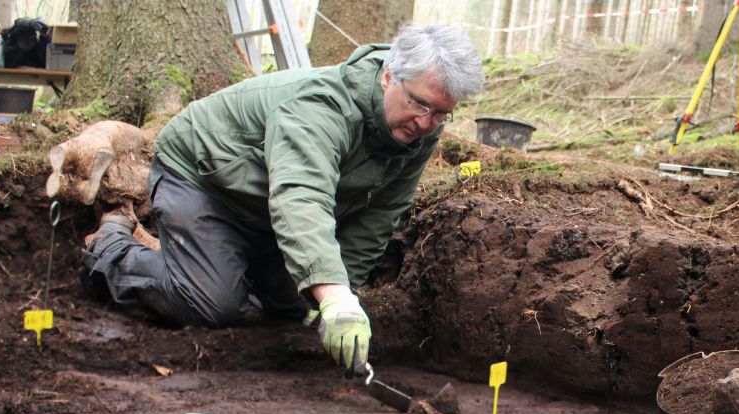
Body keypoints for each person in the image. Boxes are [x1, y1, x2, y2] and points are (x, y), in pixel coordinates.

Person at [80, 24, 483, 375]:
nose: (426, 123)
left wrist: (341, 292)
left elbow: (379, 214)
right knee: (213, 304)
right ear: (388, 77)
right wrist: (335, 296)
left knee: (298, 305)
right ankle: (111, 247)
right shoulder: (321, 108)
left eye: (441, 114)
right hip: (205, 179)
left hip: (263, 205)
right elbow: (301, 198)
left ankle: (234, 265)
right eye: (419, 104)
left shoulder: (420, 132)